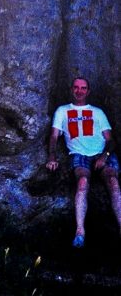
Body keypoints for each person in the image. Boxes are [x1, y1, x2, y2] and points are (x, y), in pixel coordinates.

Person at [46, 76, 121, 248]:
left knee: (113, 182)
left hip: (102, 153)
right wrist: (52, 156)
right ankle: (80, 231)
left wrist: (104, 156)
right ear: (71, 89)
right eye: (76, 87)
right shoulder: (62, 111)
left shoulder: (97, 112)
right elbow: (53, 136)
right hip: (79, 154)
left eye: (83, 88)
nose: (79, 91)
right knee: (82, 182)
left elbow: (111, 140)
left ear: (88, 91)